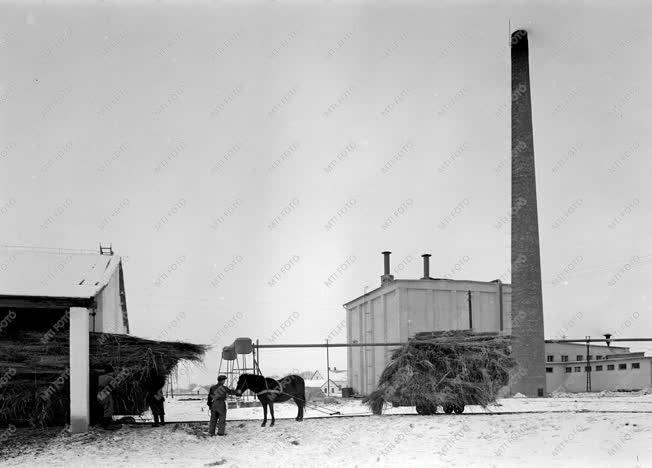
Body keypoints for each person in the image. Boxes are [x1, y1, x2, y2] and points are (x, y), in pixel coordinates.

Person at [97, 365, 121, 430]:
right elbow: (116, 387)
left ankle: (103, 423)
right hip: (105, 393)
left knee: (102, 408)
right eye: (113, 372)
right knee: (108, 408)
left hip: (98, 394)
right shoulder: (110, 378)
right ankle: (107, 425)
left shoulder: (99, 377)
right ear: (110, 372)